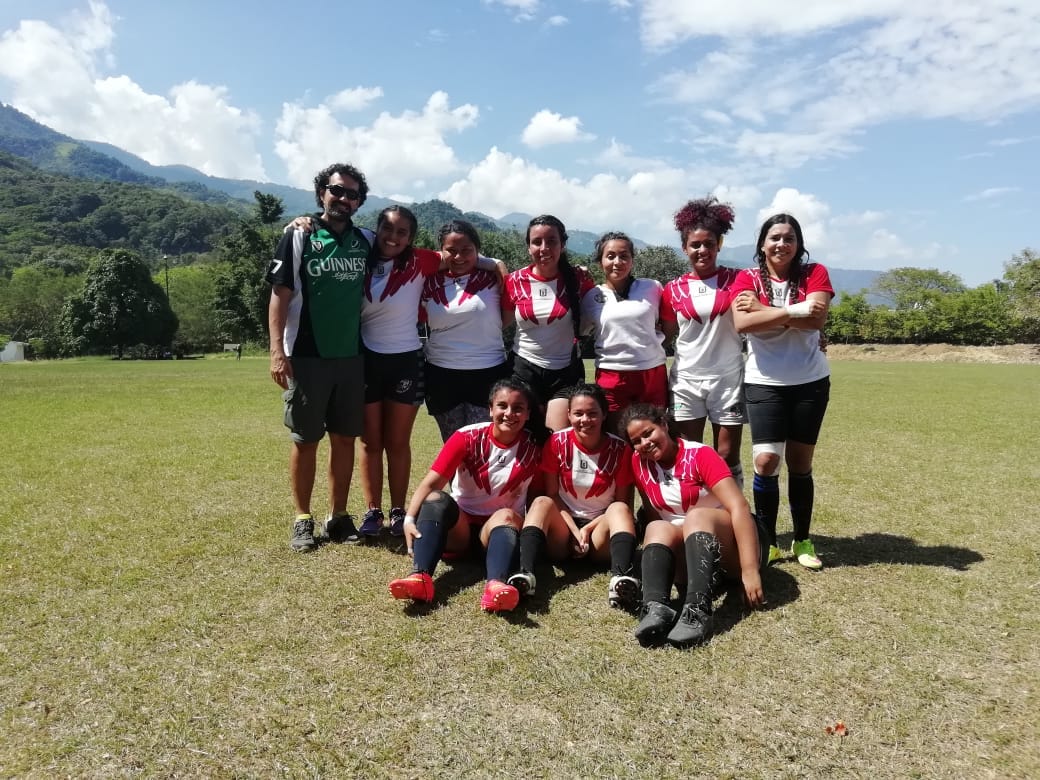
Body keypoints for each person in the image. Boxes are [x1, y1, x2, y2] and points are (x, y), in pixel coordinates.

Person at [286, 209, 505, 539]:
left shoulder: (420, 260)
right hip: (364, 359)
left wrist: (496, 264)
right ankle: (373, 511)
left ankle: (399, 510)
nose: (394, 237)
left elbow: (461, 256)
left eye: (403, 232)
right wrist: (305, 220)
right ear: (377, 231)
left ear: (411, 237)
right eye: (388, 229)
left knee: (398, 442)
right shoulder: (360, 257)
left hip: (406, 360)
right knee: (370, 442)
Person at [266, 162, 372, 552]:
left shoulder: (366, 240)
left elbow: (413, 252)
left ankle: (339, 516)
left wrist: (489, 262)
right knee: (306, 439)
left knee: (345, 439)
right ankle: (302, 519)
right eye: (336, 190)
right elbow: (279, 294)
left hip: (352, 356)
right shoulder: (299, 236)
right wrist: (277, 351)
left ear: (359, 202)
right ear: (321, 193)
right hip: (307, 355)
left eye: (352, 194)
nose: (343, 198)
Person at [731, 213, 833, 570]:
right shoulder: (746, 278)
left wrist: (767, 312)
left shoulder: (814, 272)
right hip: (764, 382)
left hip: (810, 382)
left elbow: (817, 319)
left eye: (789, 238)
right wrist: (796, 312)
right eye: (774, 237)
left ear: (798, 244)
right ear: (762, 244)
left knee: (800, 464)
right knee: (766, 461)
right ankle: (769, 541)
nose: (781, 244)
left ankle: (802, 538)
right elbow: (743, 323)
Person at [388, 378, 542, 612]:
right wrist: (409, 519)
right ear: (490, 409)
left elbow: (538, 498)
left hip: (498, 533)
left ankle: (496, 586)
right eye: (502, 406)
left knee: (507, 515)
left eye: (518, 408)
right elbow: (432, 483)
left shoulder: (535, 446)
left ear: (528, 413)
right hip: (459, 529)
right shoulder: (466, 437)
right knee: (436, 498)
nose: (509, 413)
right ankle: (420, 578)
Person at [621, 404, 765, 648]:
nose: (645, 443)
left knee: (696, 517)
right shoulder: (639, 462)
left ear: (664, 424)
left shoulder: (700, 454)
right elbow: (653, 513)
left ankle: (698, 611)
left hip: (734, 547)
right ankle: (655, 607)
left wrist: (750, 570)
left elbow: (740, 507)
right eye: (636, 441)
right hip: (695, 556)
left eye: (648, 433)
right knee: (656, 527)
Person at [508, 383, 641, 608]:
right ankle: (525, 573)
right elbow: (553, 495)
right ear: (568, 414)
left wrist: (587, 530)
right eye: (578, 413)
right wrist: (574, 531)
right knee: (542, 502)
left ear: (604, 414)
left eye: (592, 413)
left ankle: (621, 579)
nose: (585, 420)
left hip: (598, 532)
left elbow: (621, 504)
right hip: (563, 529)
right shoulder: (556, 442)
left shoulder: (620, 449)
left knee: (619, 509)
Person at [660, 196, 746, 489]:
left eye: (709, 243)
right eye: (695, 245)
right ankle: (691, 511)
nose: (702, 250)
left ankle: (733, 512)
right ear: (684, 248)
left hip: (728, 380)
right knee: (689, 453)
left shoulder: (739, 280)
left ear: (719, 244)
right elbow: (665, 335)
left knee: (727, 455)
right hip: (686, 381)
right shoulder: (673, 289)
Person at [502, 215, 595, 432]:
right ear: (528, 247)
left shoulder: (578, 278)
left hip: (565, 372)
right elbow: (499, 323)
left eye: (552, 241)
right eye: (537, 242)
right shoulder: (514, 281)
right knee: (525, 438)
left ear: (562, 245)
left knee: (556, 439)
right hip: (523, 370)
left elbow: (600, 309)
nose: (544, 248)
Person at [422, 220, 511, 443]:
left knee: (482, 446)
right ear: (441, 251)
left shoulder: (494, 279)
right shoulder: (426, 281)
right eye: (451, 250)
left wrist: (494, 263)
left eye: (466, 250)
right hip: (441, 375)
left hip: (487, 373)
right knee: (453, 446)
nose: (459, 257)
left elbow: (507, 318)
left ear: (477, 249)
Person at [579, 232, 668, 434]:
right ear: (600, 261)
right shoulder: (591, 296)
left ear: (632, 260)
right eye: (610, 256)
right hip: (612, 375)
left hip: (651, 373)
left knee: (654, 437)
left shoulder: (652, 287)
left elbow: (666, 323)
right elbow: (581, 332)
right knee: (617, 438)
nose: (617, 262)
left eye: (624, 256)